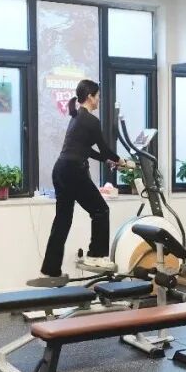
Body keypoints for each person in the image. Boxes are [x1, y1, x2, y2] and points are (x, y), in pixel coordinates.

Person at [36, 79, 129, 282]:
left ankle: (51, 268)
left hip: (61, 170)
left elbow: (87, 150)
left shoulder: (77, 117)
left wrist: (107, 161)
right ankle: (96, 256)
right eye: (98, 96)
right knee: (101, 210)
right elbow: (104, 148)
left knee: (63, 219)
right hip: (73, 171)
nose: (99, 100)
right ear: (90, 97)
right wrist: (121, 161)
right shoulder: (91, 121)